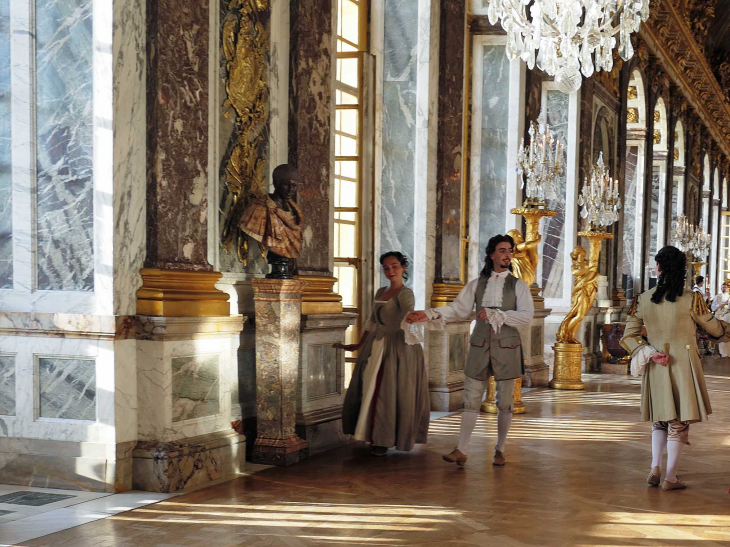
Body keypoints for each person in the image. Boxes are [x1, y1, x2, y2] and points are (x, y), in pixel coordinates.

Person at [407, 234, 534, 467]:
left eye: (510, 251)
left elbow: (526, 316)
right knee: (470, 400)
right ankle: (461, 449)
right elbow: (458, 309)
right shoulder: (476, 284)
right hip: (479, 347)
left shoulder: (519, 286)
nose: (508, 255)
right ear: (492, 255)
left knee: (505, 402)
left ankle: (500, 448)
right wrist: (429, 314)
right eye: (503, 251)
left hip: (507, 348)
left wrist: (499, 315)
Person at [620, 246, 730, 491]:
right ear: (682, 270)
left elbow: (628, 337)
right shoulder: (692, 298)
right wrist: (723, 330)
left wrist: (648, 352)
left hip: (657, 363)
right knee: (679, 422)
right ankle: (670, 478)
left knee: (660, 419)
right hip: (684, 365)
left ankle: (655, 467)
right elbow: (715, 329)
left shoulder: (642, 299)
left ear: (658, 268)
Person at [338, 252, 430, 456]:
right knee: (368, 386)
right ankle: (369, 434)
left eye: (394, 266)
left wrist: (415, 318)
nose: (390, 271)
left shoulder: (405, 293)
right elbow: (372, 322)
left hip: (397, 346)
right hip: (376, 344)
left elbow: (409, 313)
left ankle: (384, 438)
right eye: (386, 267)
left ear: (403, 267)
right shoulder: (381, 291)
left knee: (387, 390)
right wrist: (359, 345)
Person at [240, 164, 303, 276]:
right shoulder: (259, 209)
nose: (291, 190)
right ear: (275, 183)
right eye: (286, 185)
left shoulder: (296, 212)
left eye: (294, 185)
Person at [712, 283, 730, 357]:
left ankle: (725, 351)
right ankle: (716, 351)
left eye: (725, 287)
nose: (724, 288)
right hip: (719, 316)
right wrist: (720, 305)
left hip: (726, 317)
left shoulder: (729, 297)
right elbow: (713, 306)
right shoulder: (718, 296)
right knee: (718, 333)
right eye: (723, 287)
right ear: (721, 288)